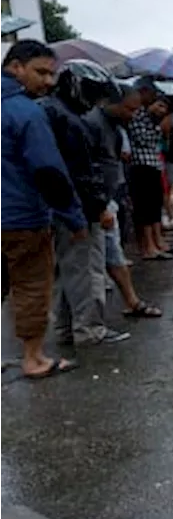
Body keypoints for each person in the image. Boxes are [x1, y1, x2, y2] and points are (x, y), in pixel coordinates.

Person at [0, 41, 86, 378]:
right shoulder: (26, 112)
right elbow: (49, 173)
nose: (49, 81)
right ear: (16, 67)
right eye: (41, 72)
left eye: (52, 73)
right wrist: (75, 219)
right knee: (32, 286)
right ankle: (33, 359)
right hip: (22, 219)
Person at [40, 59, 131, 346]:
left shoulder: (49, 111)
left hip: (57, 208)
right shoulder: (70, 122)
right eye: (94, 95)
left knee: (68, 271)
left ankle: (68, 329)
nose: (95, 103)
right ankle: (90, 329)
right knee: (87, 269)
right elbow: (82, 174)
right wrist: (100, 207)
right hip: (78, 209)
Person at [84, 84, 163, 319]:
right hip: (94, 204)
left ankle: (132, 302)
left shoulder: (115, 127)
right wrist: (99, 205)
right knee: (91, 265)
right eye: (129, 109)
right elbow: (87, 169)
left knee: (113, 254)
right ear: (112, 102)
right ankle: (88, 325)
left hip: (107, 199)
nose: (133, 115)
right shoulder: (93, 125)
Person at [125, 78, 173, 260]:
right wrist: (159, 129)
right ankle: (148, 246)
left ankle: (157, 241)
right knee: (144, 208)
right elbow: (144, 139)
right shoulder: (137, 114)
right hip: (141, 165)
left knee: (154, 205)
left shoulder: (146, 115)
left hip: (152, 164)